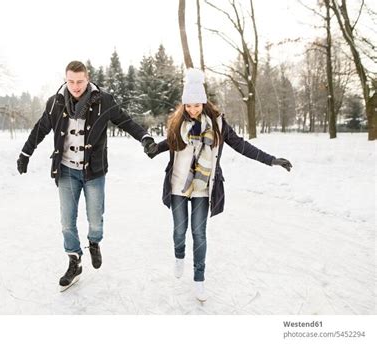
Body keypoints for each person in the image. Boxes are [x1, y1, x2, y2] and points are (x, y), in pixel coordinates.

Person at [146, 69, 292, 302]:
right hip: (178, 187)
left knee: (199, 233)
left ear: (204, 102)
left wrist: (271, 160)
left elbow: (242, 146)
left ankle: (199, 280)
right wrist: (155, 149)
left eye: (197, 105)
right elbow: (168, 143)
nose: (193, 110)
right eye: (189, 106)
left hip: (204, 187)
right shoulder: (177, 125)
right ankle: (179, 255)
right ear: (184, 105)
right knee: (179, 232)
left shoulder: (218, 125)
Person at [17, 61, 155, 291]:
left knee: (95, 219)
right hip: (66, 171)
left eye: (80, 81)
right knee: (67, 222)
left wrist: (145, 138)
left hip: (93, 171)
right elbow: (40, 129)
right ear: (65, 79)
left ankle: (94, 242)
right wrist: (25, 153)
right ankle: (74, 260)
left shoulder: (104, 101)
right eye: (71, 81)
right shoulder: (56, 102)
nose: (75, 86)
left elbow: (126, 122)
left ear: (87, 79)